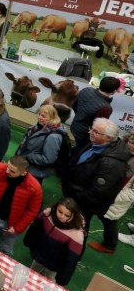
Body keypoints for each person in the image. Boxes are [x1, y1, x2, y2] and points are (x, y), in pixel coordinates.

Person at [62, 118, 130, 254]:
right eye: (91, 128)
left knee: (78, 229)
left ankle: (73, 254)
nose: (90, 132)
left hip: (83, 203)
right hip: (75, 195)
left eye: (95, 131)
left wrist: (76, 196)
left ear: (108, 138)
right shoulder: (97, 144)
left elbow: (98, 193)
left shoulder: (112, 163)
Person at [0, 155, 43, 256]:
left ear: (24, 173)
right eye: (8, 167)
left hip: (11, 224)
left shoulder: (35, 188)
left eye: (12, 171)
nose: (7, 171)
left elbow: (33, 210)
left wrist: (17, 228)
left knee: (4, 250)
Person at [23, 198, 86, 285]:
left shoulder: (77, 234)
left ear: (73, 216)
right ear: (56, 207)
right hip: (40, 255)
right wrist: (28, 241)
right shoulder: (47, 214)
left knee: (50, 280)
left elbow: (71, 259)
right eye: (60, 211)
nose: (62, 216)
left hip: (55, 264)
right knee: (31, 273)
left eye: (67, 215)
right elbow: (35, 228)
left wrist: (63, 278)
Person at [15, 104, 67, 181]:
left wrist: (28, 156)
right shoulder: (36, 127)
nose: (39, 117)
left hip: (34, 174)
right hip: (24, 167)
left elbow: (48, 159)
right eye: (39, 114)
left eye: (43, 116)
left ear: (52, 118)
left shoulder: (53, 137)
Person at [70, 76, 118, 154]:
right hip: (84, 136)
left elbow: (74, 104)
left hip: (74, 126)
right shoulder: (105, 108)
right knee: (77, 154)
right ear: (114, 91)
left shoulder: (86, 90)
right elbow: (97, 127)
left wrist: (80, 116)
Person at [103, 133, 134, 248]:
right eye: (131, 142)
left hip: (119, 196)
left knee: (109, 219)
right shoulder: (123, 152)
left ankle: (110, 245)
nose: (132, 146)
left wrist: (116, 197)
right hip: (112, 190)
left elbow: (132, 193)